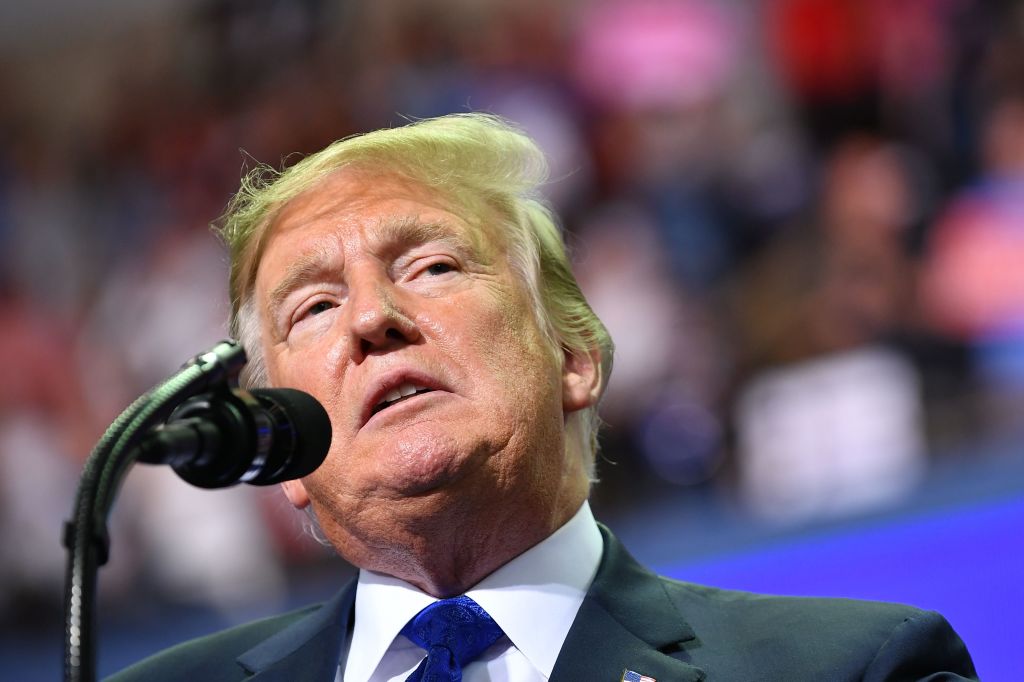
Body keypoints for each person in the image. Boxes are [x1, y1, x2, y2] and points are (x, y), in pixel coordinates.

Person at [108, 114, 977, 681]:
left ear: (575, 355)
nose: (372, 316)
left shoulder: (855, 669)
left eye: (433, 266)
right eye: (316, 306)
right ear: (286, 457)